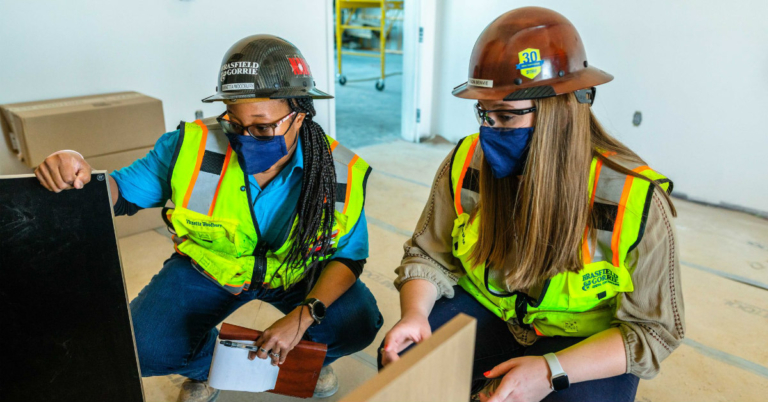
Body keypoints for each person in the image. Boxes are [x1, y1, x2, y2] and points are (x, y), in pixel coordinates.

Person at [35, 35, 383, 402]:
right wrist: (77, 170)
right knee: (142, 345)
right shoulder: (189, 148)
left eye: (263, 127)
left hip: (296, 273)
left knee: (357, 321)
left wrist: (303, 316)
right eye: (234, 123)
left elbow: (348, 256)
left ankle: (307, 359)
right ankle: (211, 368)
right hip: (210, 269)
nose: (246, 138)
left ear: (301, 112)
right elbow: (119, 193)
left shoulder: (340, 172)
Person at [378, 7, 684, 402]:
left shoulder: (632, 199)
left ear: (560, 113)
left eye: (506, 116)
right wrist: (416, 315)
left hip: (578, 343)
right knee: (406, 359)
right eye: (483, 114)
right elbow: (428, 255)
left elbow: (653, 331)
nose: (488, 132)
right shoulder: (468, 162)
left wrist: (549, 371)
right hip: (491, 314)